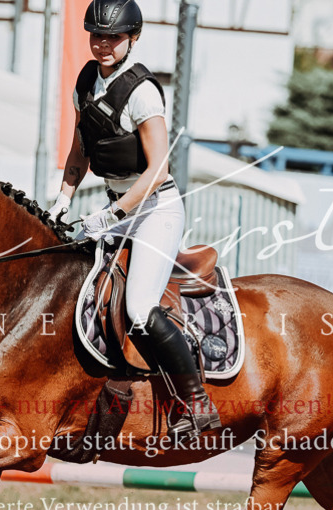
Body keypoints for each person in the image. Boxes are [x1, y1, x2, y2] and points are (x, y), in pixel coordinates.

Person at [48, 0, 219, 439]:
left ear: (133, 38)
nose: (103, 45)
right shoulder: (86, 81)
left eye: (114, 37)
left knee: (139, 309)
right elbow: (80, 150)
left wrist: (112, 215)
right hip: (115, 208)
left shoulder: (142, 91)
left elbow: (158, 169)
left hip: (154, 209)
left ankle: (196, 402)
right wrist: (62, 200)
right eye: (96, 36)